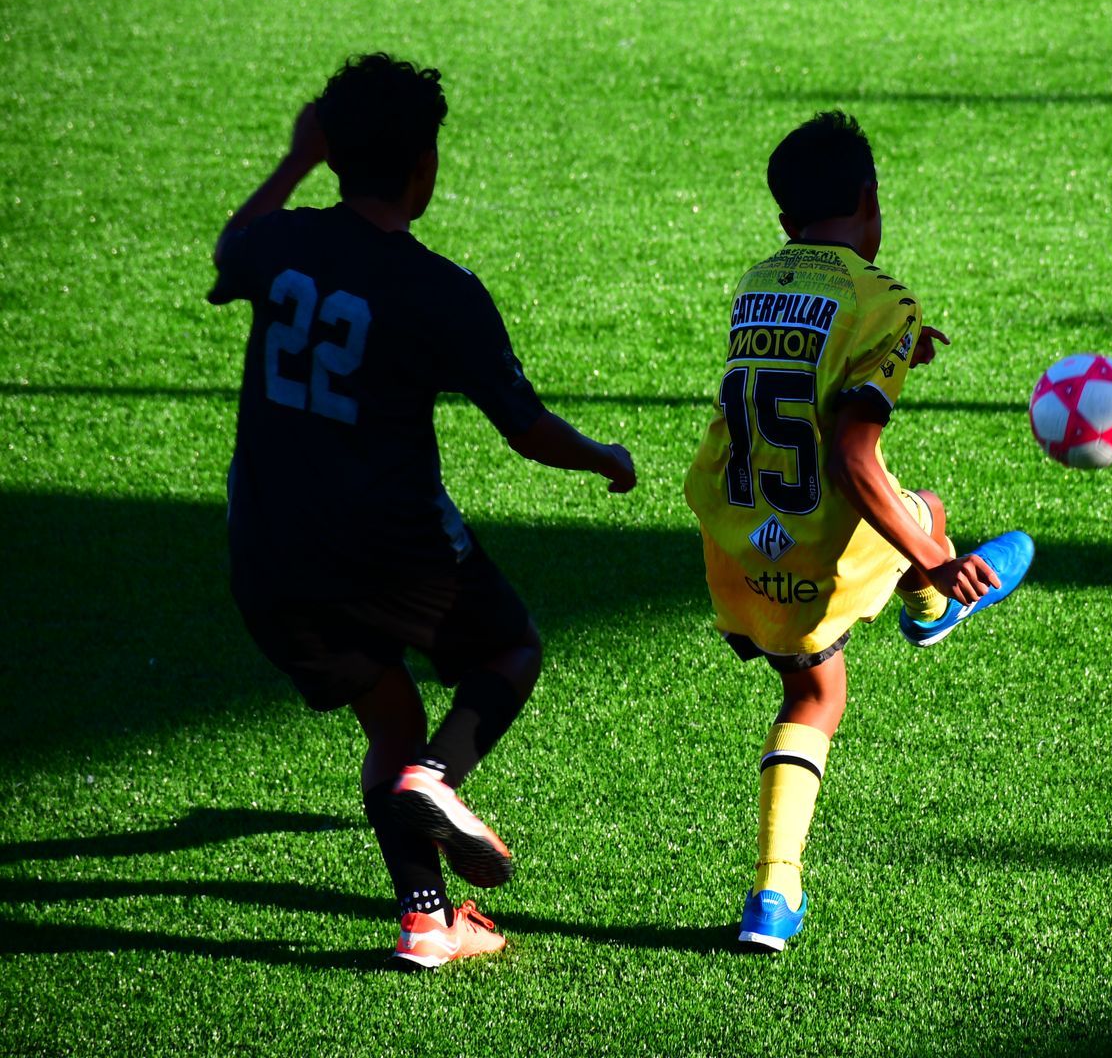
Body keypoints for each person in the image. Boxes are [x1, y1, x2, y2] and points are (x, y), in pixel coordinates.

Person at [208, 54, 635, 969]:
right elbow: (525, 429)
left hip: (268, 553)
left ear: (333, 155)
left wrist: (294, 160)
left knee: (390, 719)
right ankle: (439, 778)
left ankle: (427, 923)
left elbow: (229, 252)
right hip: (391, 547)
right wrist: (607, 458)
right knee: (510, 648)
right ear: (423, 166)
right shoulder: (440, 289)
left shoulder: (281, 245)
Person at [683, 110, 1033, 952]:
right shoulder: (886, 300)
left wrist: (899, 347)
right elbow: (850, 454)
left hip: (733, 527)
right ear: (872, 199)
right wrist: (936, 561)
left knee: (813, 680)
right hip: (819, 529)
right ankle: (937, 601)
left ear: (785, 219)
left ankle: (774, 898)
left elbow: (803, 356)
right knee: (921, 523)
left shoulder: (757, 280)